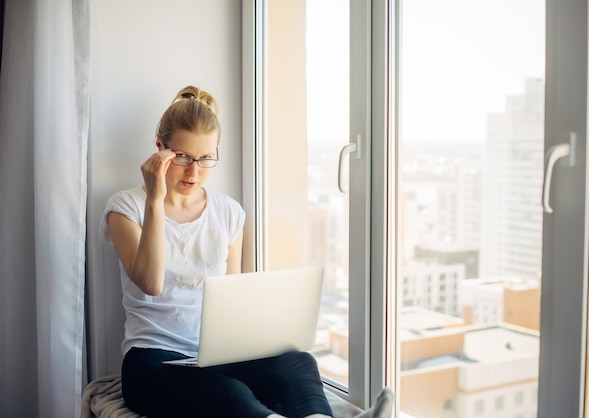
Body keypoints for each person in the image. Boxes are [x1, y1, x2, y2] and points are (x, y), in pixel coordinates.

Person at [100, 85, 394, 418]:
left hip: (214, 355)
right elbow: (151, 283)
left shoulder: (228, 212)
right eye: (183, 157)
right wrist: (155, 198)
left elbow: (230, 300)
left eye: (206, 158)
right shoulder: (125, 208)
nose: (194, 172)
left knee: (298, 363)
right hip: (152, 360)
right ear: (160, 150)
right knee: (229, 392)